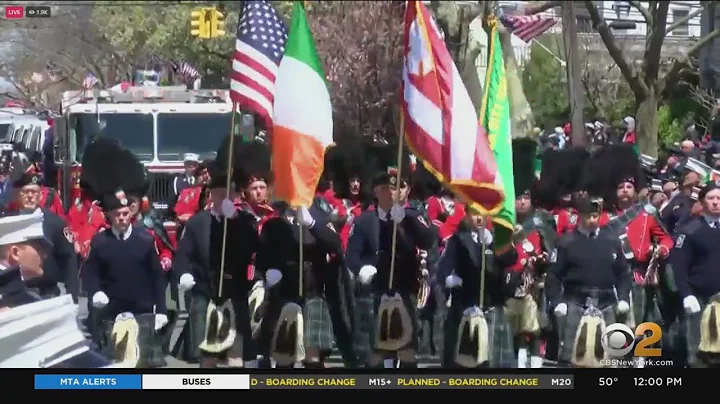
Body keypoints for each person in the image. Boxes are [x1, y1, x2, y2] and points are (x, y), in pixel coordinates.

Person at [173, 136, 260, 368]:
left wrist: (235, 223)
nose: (223, 199)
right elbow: (183, 254)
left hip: (235, 292)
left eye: (228, 194)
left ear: (236, 196)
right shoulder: (198, 222)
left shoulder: (245, 222)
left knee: (236, 352)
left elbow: (255, 251)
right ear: (210, 196)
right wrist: (183, 274)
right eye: (219, 194)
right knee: (207, 354)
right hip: (205, 291)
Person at [81, 141, 168, 368]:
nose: (122, 217)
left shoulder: (145, 240)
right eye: (117, 214)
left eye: (125, 213)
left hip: (142, 311)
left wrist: (161, 309)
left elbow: (157, 277)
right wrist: (95, 292)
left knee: (143, 365)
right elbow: (89, 274)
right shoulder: (100, 242)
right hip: (112, 311)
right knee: (115, 365)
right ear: (109, 215)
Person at [346, 163, 436, 369]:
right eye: (387, 187)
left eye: (398, 187)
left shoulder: (414, 216)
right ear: (377, 191)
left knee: (407, 349)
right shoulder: (364, 221)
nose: (393, 192)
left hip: (404, 289)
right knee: (376, 351)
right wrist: (362, 269)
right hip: (375, 289)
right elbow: (351, 255)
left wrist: (407, 221)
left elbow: (428, 240)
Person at [545, 196, 632, 368]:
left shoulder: (612, 241)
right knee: (570, 356)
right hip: (575, 301)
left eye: (595, 216)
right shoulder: (566, 242)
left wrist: (623, 298)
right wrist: (556, 302)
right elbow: (554, 275)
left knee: (610, 358)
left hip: (607, 302)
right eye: (588, 216)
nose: (592, 220)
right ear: (579, 216)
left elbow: (623, 273)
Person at [439, 208, 518, 368]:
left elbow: (511, 259)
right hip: (466, 306)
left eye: (482, 213)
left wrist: (493, 244)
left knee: (493, 363)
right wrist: (448, 278)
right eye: (474, 214)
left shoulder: (496, 239)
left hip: (492, 306)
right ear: (467, 216)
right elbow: (444, 267)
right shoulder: (459, 239)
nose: (479, 218)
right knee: (462, 362)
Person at [506, 138, 555, 369]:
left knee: (534, 326)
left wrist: (540, 259)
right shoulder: (504, 221)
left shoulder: (540, 220)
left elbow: (550, 251)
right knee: (514, 326)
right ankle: (518, 361)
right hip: (509, 281)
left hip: (533, 282)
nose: (522, 202)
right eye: (518, 198)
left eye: (525, 198)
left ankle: (536, 363)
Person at [669, 181, 720, 367]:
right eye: (711, 198)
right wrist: (686, 294)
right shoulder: (689, 231)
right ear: (701, 202)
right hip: (699, 300)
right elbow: (679, 266)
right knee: (698, 354)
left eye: (719, 198)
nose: (716, 202)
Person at [7, 171, 79, 302]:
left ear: (40, 196)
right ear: (18, 195)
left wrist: (73, 296)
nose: (30, 196)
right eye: (26, 192)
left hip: (47, 293)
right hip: (15, 294)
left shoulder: (56, 223)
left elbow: (69, 260)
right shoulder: (8, 222)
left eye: (34, 192)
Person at [173, 160, 211, 226]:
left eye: (209, 173)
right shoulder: (186, 193)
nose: (207, 176)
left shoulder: (220, 192)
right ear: (197, 177)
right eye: (203, 173)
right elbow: (180, 215)